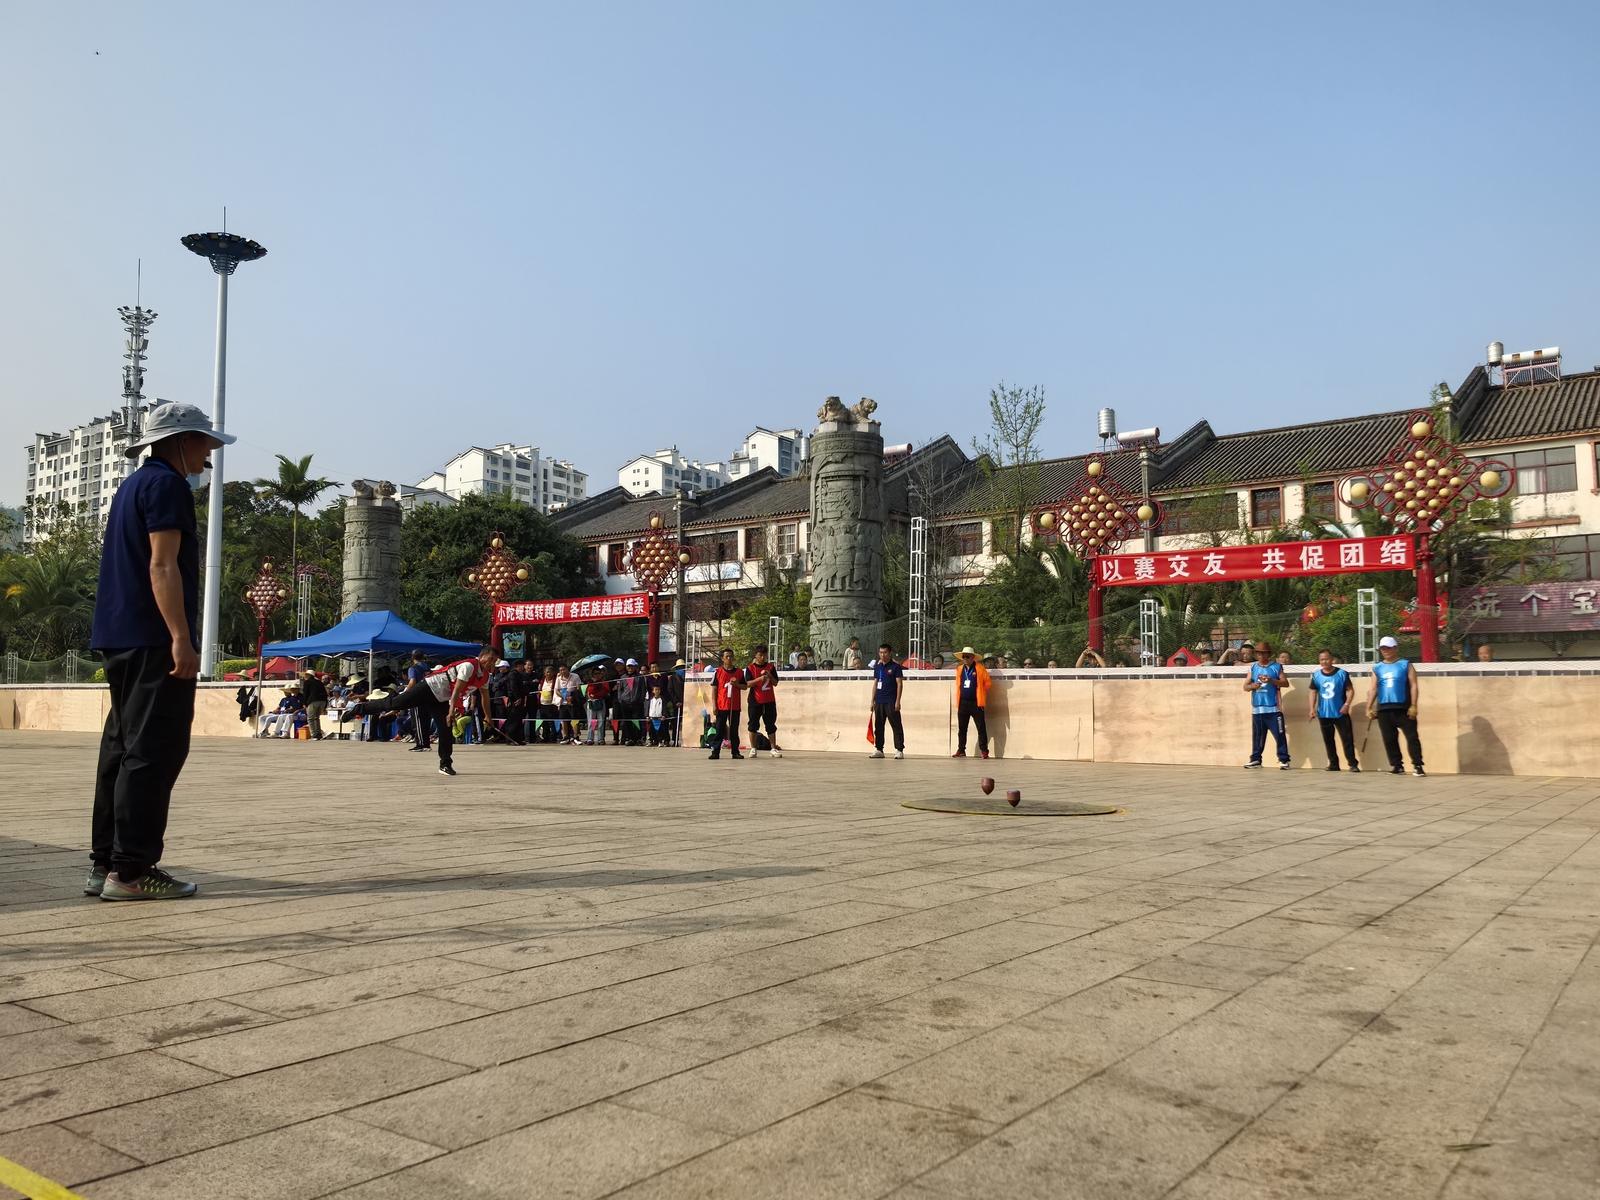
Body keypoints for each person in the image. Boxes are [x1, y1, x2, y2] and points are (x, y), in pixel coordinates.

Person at [87, 401, 235, 900]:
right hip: (153, 638)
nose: (209, 452)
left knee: (122, 749)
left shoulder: (132, 486)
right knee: (154, 751)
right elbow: (162, 565)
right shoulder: (168, 487)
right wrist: (180, 638)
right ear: (181, 441)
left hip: (120, 635)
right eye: (204, 441)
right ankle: (130, 871)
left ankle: (105, 863)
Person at [339, 645, 497, 775]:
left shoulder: (485, 676)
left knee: (445, 729)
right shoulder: (469, 666)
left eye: (495, 661)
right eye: (491, 659)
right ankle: (359, 708)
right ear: (482, 656)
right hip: (429, 687)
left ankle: (445, 764)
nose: (492, 663)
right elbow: (457, 690)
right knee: (395, 704)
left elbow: (485, 697)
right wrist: (451, 712)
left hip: (440, 698)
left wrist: (488, 717)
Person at [1369, 636, 1424, 776]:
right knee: (1389, 739)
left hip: (1403, 708)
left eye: (1388, 648)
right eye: (1383, 648)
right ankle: (1397, 765)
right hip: (1384, 708)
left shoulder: (1405, 664)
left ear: (1395, 648)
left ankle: (1418, 765)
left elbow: (1414, 685)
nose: (1385, 651)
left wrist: (1414, 705)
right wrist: (1369, 707)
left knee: (1412, 737)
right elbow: (1373, 689)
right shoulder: (1377, 668)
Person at [1307, 648, 1359, 772]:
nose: (1324, 662)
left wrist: (1347, 704)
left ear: (1332, 659)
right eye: (1321, 659)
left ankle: (1352, 764)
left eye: (1326, 659)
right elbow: (1313, 692)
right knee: (1328, 740)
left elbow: (1350, 690)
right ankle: (1333, 764)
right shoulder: (1316, 675)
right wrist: (1312, 709)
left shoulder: (1342, 674)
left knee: (1347, 739)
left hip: (1340, 713)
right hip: (1324, 713)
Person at [1243, 640, 1292, 770]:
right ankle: (1256, 759)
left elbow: (1285, 683)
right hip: (1258, 709)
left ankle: (1284, 760)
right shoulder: (1253, 667)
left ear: (1269, 654)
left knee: (1279, 735)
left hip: (1274, 708)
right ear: (1256, 654)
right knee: (1258, 736)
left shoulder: (1276, 667)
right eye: (1259, 653)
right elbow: (1245, 686)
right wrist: (1252, 686)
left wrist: (1272, 681)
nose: (1261, 655)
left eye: (1264, 653)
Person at [952, 646, 991, 759]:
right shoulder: (959, 669)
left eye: (967, 657)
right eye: (963, 657)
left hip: (976, 703)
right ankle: (961, 750)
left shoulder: (980, 668)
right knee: (962, 729)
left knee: (981, 728)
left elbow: (988, 683)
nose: (965, 659)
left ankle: (984, 750)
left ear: (973, 657)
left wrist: (981, 692)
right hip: (963, 702)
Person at [868, 643, 905, 759]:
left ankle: (899, 749)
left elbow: (899, 684)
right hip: (879, 701)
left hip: (891, 701)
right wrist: (872, 700)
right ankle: (879, 749)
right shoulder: (878, 667)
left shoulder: (895, 667)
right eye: (880, 652)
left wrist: (897, 701)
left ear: (889, 653)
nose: (882, 655)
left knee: (896, 725)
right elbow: (875, 684)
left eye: (885, 652)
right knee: (878, 725)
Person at [709, 647, 746, 760]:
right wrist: (714, 705)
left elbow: (745, 686)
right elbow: (714, 689)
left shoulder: (739, 672)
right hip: (722, 705)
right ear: (722, 658)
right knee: (720, 729)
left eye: (731, 656)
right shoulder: (718, 672)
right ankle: (715, 751)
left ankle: (735, 752)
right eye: (727, 656)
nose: (729, 658)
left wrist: (737, 685)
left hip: (734, 706)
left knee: (734, 730)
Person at [745, 646, 782, 758]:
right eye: (760, 655)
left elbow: (775, 683)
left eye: (764, 655)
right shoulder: (750, 668)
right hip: (755, 700)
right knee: (753, 724)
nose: (762, 657)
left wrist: (769, 675)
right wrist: (759, 679)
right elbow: (747, 684)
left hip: (769, 700)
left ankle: (773, 748)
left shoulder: (770, 667)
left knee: (770, 724)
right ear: (755, 655)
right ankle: (753, 748)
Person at [405, 651, 432, 752]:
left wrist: (406, 693)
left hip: (417, 697)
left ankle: (420, 744)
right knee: (426, 721)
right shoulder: (427, 668)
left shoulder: (413, 668)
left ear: (412, 657)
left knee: (417, 722)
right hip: (428, 696)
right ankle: (426, 744)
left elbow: (412, 682)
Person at [300, 670, 329, 740]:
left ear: (309, 675)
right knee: (316, 718)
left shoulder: (307, 682)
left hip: (313, 701)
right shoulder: (319, 682)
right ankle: (319, 734)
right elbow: (325, 693)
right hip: (322, 701)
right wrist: (325, 705)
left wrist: (304, 703)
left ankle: (314, 735)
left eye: (306, 675)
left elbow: (305, 693)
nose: (305, 676)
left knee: (310, 718)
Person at [584, 670, 610, 745]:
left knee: (601, 721)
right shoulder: (590, 683)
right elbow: (589, 692)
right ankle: (590, 738)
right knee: (591, 721)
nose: (597, 675)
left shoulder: (604, 682)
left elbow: (605, 691)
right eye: (595, 673)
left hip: (600, 702)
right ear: (592, 675)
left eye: (599, 673)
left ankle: (600, 739)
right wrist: (594, 684)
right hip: (591, 703)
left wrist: (595, 695)